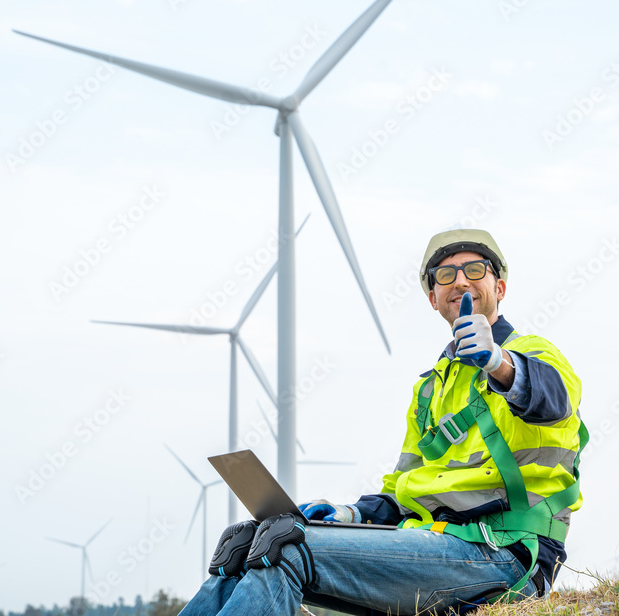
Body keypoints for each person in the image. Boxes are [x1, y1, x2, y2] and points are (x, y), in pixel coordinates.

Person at [179, 228, 586, 616]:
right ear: (433, 297)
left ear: (499, 287)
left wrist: (498, 362)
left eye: (475, 270)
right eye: (446, 274)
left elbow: (552, 400)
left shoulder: (532, 353)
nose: (460, 281)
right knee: (244, 546)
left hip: (506, 553)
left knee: (286, 547)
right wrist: (348, 515)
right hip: (434, 544)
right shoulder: (430, 391)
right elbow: (405, 493)